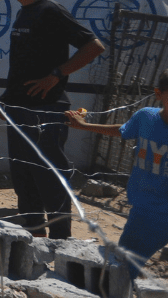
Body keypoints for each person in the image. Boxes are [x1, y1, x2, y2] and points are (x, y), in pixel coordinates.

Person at [2, 0, 105, 238]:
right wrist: (7, 98)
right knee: (24, 178)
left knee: (49, 176)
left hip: (46, 110)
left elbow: (93, 46)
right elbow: (24, 64)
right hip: (19, 109)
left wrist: (57, 74)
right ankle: (34, 237)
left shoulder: (50, 11)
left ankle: (61, 240)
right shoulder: (24, 12)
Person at [68, 71, 168, 275]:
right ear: (158, 93)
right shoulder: (146, 117)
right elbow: (123, 130)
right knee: (123, 269)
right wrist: (84, 126)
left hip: (157, 210)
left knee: (122, 270)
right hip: (147, 212)